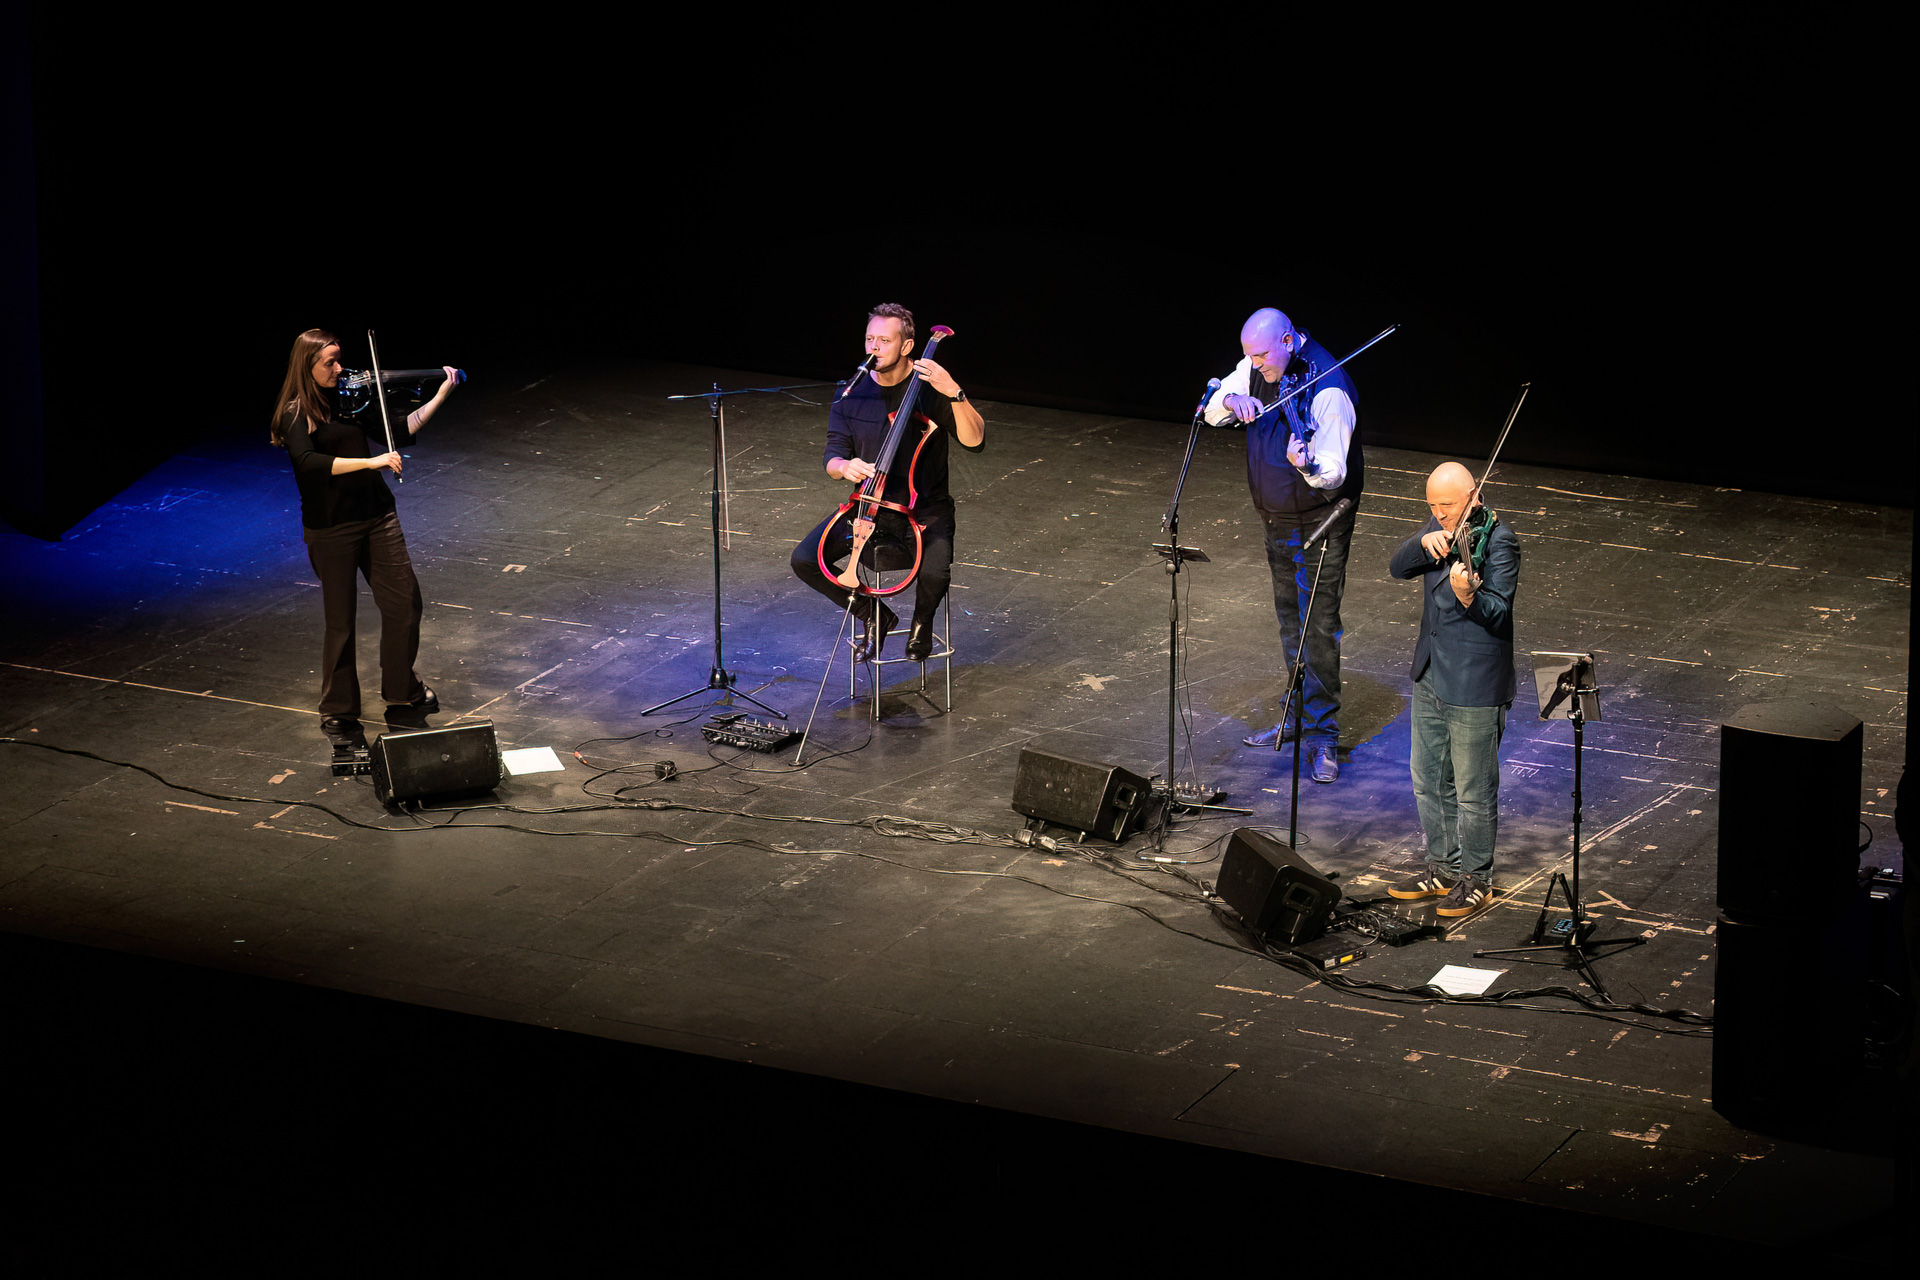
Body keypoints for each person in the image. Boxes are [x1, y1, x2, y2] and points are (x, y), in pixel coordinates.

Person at [269, 329, 460, 733]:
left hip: (377, 517)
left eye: (340, 360)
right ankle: (338, 707)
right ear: (307, 366)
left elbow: (400, 430)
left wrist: (440, 394)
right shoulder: (295, 411)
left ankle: (401, 689)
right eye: (330, 363)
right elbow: (309, 463)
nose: (340, 369)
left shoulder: (351, 399)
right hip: (331, 528)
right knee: (341, 621)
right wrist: (373, 463)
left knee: (405, 604)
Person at [1204, 308, 1361, 783]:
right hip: (1274, 520)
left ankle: (1323, 737)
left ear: (1289, 341)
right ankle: (1295, 716)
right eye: (1248, 356)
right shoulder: (1256, 366)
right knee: (1290, 624)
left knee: (1318, 629)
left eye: (1261, 355)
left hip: (1318, 524)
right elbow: (1211, 410)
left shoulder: (1328, 387)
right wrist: (1233, 401)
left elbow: (1333, 472)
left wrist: (1305, 462)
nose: (1254, 365)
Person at [791, 303, 985, 661]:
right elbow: (831, 455)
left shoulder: (929, 389)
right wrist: (844, 466)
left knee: (935, 571)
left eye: (884, 340)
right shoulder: (852, 392)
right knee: (804, 559)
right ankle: (874, 615)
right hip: (870, 507)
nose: (873, 348)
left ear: (907, 346)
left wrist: (954, 391)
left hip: (924, 509)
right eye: (869, 339)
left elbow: (975, 442)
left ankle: (921, 625)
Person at [1386, 461, 1521, 918]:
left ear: (1473, 496)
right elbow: (1398, 567)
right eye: (1433, 507)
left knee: (1473, 791)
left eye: (1447, 506)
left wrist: (1469, 596)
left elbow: (1498, 613)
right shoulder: (1438, 526)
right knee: (1427, 781)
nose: (1441, 515)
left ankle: (1477, 879)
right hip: (1430, 675)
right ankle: (1443, 867)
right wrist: (1422, 543)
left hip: (1475, 685)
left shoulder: (1501, 541)